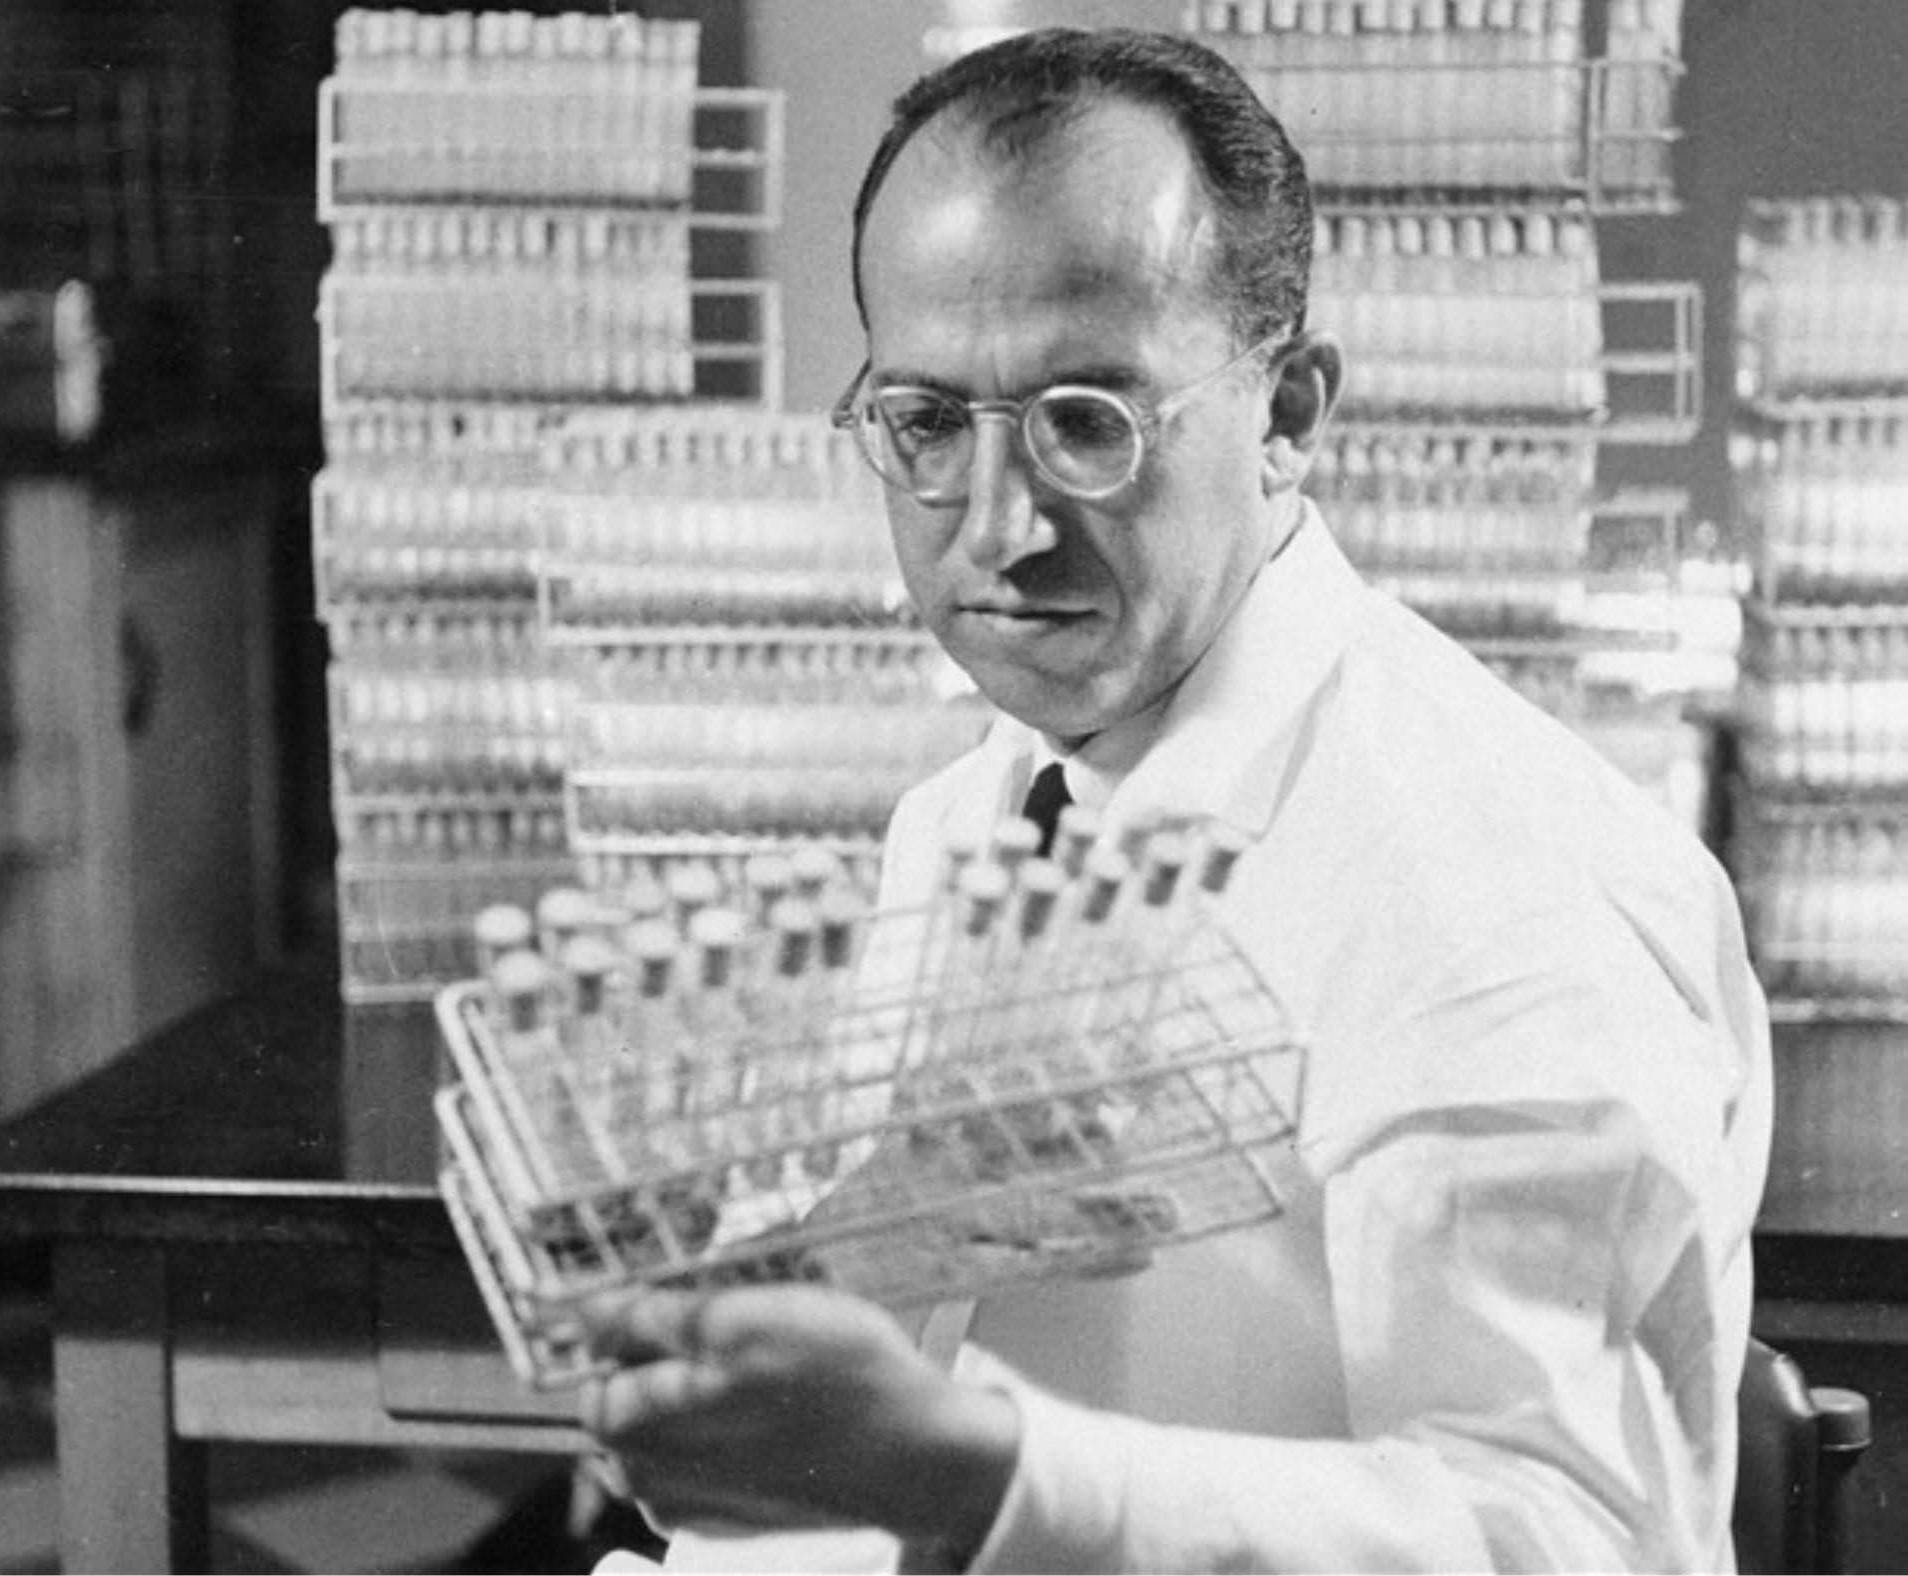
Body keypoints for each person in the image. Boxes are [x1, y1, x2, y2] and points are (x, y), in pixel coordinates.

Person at [579, 26, 1771, 1573]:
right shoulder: (986, 811)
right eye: (929, 424)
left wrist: (970, 1477)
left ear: (1284, 417)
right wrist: (799, 1316)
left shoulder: (1491, 884)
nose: (996, 534)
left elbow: (1571, 1543)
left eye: (1087, 419)